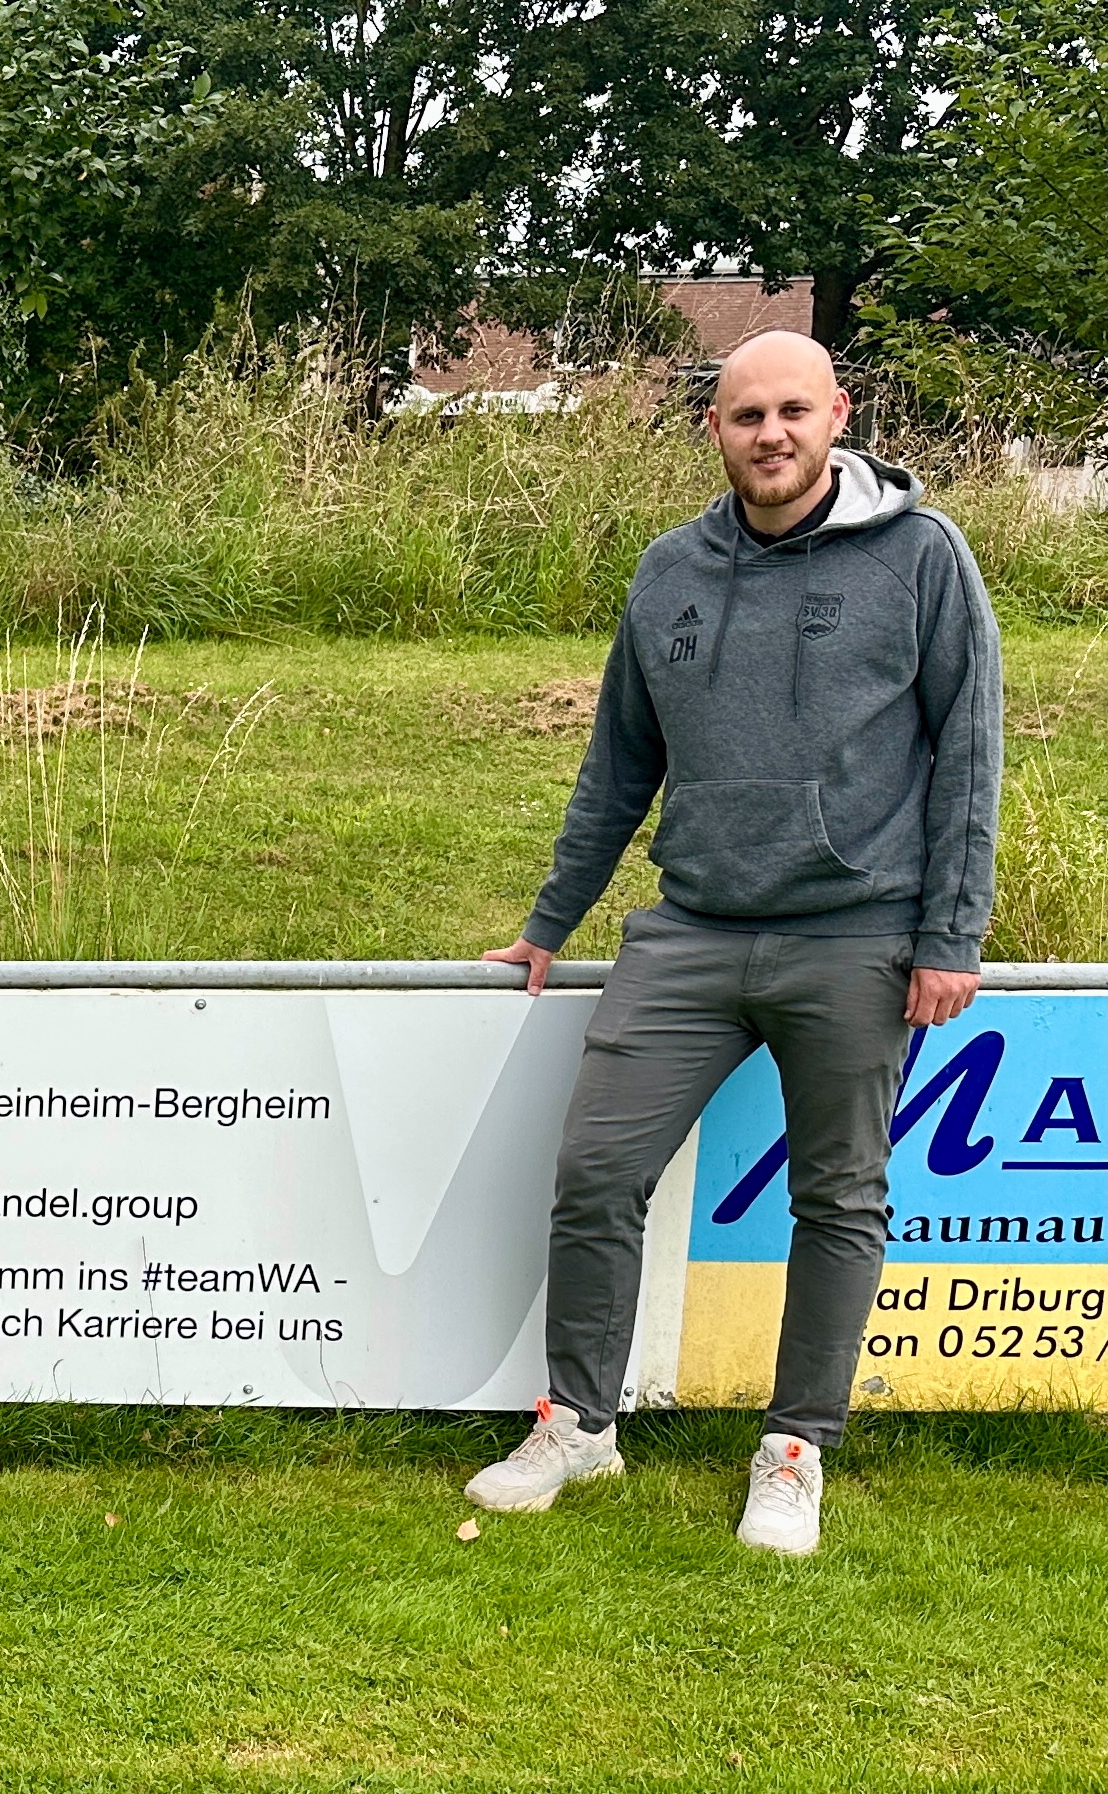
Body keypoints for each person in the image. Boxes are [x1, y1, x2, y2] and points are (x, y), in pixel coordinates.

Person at [469, 330, 1002, 1555]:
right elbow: (617, 765)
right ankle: (581, 1426)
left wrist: (947, 936)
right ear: (713, 429)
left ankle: (793, 1446)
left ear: (837, 415)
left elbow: (969, 751)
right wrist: (549, 924)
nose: (771, 434)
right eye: (744, 415)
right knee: (595, 1175)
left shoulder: (920, 558)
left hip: (859, 936)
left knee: (838, 1200)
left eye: (793, 412)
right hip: (691, 936)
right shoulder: (668, 572)